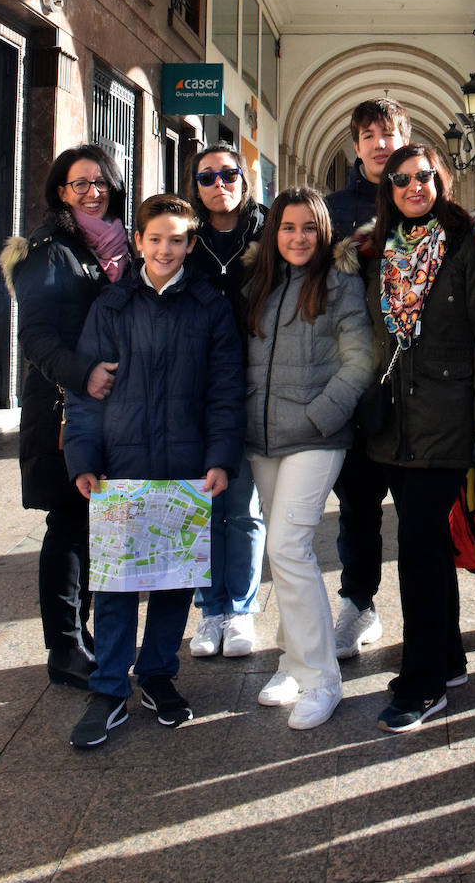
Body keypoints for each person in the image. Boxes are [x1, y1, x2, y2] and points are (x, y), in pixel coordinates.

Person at [62, 194, 246, 749]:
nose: (165, 249)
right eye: (155, 238)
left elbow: (225, 392)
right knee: (115, 582)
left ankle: (159, 675)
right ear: (138, 241)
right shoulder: (111, 306)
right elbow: (87, 392)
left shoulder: (209, 306)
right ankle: (110, 687)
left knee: (175, 578)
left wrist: (220, 458)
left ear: (192, 245)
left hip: (187, 464)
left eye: (177, 240)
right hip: (121, 462)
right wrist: (83, 459)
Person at [345, 143, 475, 732]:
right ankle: (446, 658)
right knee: (428, 546)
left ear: (441, 180)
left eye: (424, 176)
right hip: (393, 423)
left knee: (416, 547)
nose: (414, 186)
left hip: (449, 418)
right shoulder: (374, 250)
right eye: (400, 179)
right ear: (386, 189)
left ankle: (423, 685)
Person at [0, 145, 130, 691]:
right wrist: (83, 374)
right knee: (69, 526)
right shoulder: (48, 251)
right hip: (63, 408)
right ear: (60, 192)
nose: (93, 191)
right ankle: (65, 646)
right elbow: (35, 336)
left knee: (96, 525)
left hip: (112, 412)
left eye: (101, 181)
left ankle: (83, 633)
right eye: (80, 184)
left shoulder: (122, 245)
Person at [242, 187, 373, 730]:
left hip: (317, 436)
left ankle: (322, 679)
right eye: (289, 227)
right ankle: (293, 661)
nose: (299, 238)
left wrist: (323, 415)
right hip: (261, 437)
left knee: (288, 545)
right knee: (283, 550)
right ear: (274, 232)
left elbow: (361, 360)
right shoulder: (258, 286)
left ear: (324, 234)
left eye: (309, 229)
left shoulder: (340, 285)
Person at [325, 97, 412, 660]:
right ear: (356, 145)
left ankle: (425, 606)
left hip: (418, 384)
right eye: (370, 135)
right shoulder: (331, 211)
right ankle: (358, 602)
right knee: (357, 502)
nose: (380, 144)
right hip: (356, 380)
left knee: (418, 505)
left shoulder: (424, 199)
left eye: (389, 133)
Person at [183, 143, 266, 659]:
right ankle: (208, 610)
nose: (219, 184)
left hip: (251, 382)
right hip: (191, 385)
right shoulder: (185, 236)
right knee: (201, 502)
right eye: (207, 176)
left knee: (242, 505)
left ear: (244, 178)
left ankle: (241, 609)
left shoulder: (267, 230)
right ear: (195, 185)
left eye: (228, 174)